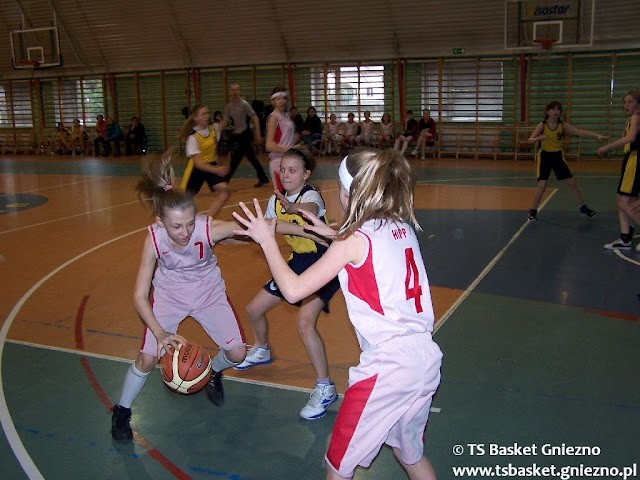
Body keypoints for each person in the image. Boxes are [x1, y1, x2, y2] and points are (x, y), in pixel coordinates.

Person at [233, 148, 442, 480]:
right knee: (409, 453)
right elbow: (360, 244)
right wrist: (326, 231)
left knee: (337, 467)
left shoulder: (352, 242)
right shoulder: (397, 224)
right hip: (425, 360)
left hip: (387, 368)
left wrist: (266, 241)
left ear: (348, 194)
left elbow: (293, 290)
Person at [110, 151, 248, 443]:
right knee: (147, 359)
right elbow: (139, 296)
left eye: (189, 224)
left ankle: (212, 373)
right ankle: (121, 411)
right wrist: (160, 334)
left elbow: (257, 230)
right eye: (176, 226)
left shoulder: (203, 228)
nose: (185, 231)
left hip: (209, 294)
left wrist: (309, 231)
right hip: (169, 298)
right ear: (161, 222)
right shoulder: (153, 239)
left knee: (237, 354)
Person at [233, 147, 341, 421]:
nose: (286, 174)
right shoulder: (275, 201)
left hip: (324, 263)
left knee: (305, 323)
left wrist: (295, 208)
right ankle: (261, 348)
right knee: (253, 309)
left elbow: (310, 210)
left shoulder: (310, 196)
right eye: (283, 170)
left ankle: (325, 387)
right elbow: (265, 229)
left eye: (293, 170)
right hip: (296, 263)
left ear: (306, 174)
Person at [527, 101, 606, 221]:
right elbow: (530, 140)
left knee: (571, 183)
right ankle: (532, 211)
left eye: (558, 109)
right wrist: (538, 138)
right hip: (545, 157)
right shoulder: (542, 125)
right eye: (553, 109)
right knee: (542, 185)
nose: (556, 111)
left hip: (557, 156)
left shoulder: (562, 125)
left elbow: (579, 131)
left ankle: (582, 208)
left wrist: (596, 135)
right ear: (548, 112)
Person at [597, 90, 640, 250]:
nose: (626, 105)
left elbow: (630, 138)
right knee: (623, 200)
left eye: (630, 101)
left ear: (638, 104)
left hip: (635, 161)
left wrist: (607, 147)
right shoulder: (631, 119)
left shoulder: (636, 117)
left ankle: (626, 236)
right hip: (630, 159)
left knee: (623, 201)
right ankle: (625, 238)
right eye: (625, 102)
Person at [178, 104, 231, 219]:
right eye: (203, 114)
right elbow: (197, 163)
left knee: (225, 192)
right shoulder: (193, 137)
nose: (207, 115)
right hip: (196, 169)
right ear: (196, 118)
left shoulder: (214, 128)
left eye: (207, 113)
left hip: (210, 166)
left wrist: (218, 165)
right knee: (184, 202)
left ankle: (208, 220)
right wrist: (217, 169)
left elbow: (214, 151)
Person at [221, 83, 270, 188]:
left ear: (239, 91)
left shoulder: (244, 104)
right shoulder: (229, 106)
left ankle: (225, 181)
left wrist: (257, 134)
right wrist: (215, 131)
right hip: (237, 136)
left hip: (245, 135)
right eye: (232, 90)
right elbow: (225, 121)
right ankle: (263, 178)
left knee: (236, 159)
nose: (234, 92)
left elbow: (255, 117)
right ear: (230, 91)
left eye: (237, 90)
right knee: (249, 158)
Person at [265, 87, 296, 190]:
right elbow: (269, 146)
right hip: (278, 161)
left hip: (289, 159)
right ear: (273, 101)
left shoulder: (286, 116)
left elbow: (285, 137)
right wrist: (290, 150)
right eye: (278, 98)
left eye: (283, 98)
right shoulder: (274, 117)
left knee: (294, 196)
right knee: (283, 198)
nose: (281, 101)